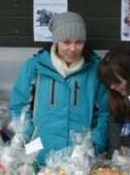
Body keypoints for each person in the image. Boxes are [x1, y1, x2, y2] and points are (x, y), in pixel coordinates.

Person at [10, 12, 109, 161]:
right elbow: (19, 106)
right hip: (39, 154)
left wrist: (94, 144)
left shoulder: (94, 70)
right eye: (66, 42)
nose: (73, 48)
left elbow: (104, 111)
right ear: (56, 41)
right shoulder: (35, 67)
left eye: (79, 42)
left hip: (79, 156)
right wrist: (30, 135)